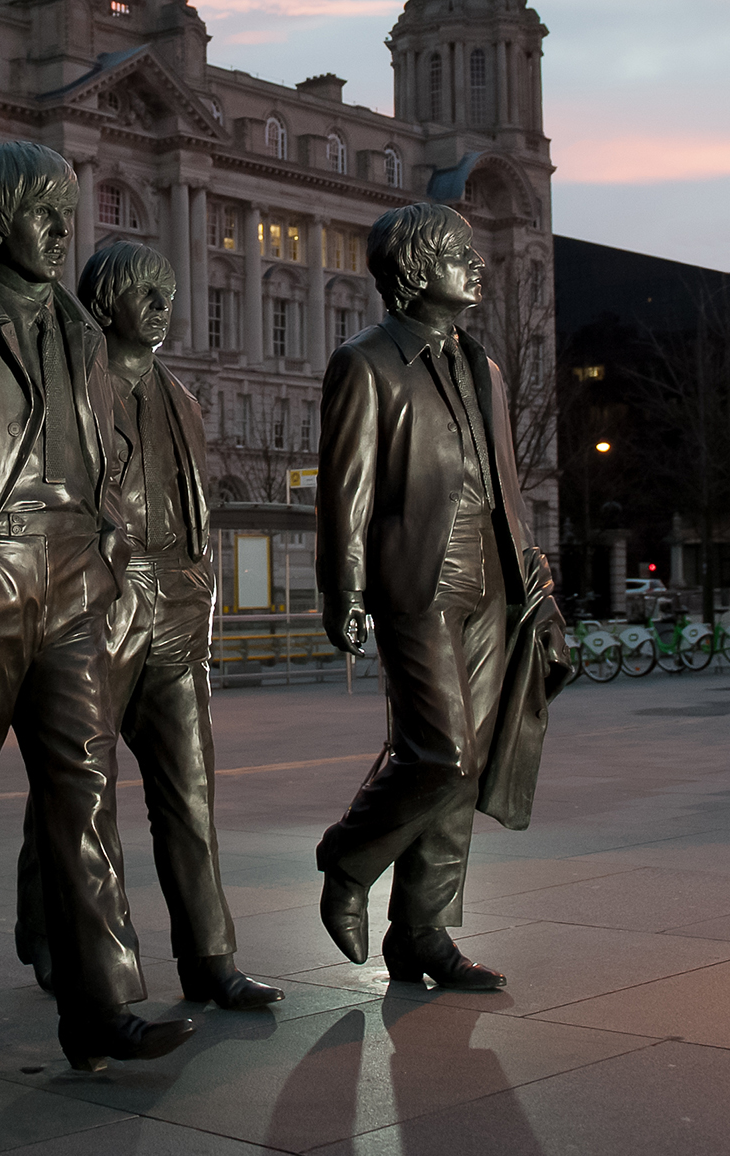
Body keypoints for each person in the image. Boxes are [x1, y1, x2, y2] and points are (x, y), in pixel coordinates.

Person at [0, 144, 195, 1072]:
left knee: (86, 791)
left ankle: (102, 1006)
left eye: (68, 212)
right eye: (43, 213)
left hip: (76, 582)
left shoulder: (83, 332)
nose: (63, 231)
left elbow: (107, 457)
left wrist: (111, 546)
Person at [14, 241, 283, 1012]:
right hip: (102, 604)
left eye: (168, 294)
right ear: (106, 304)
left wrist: (198, 591)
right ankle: (53, 931)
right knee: (79, 789)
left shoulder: (186, 401)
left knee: (189, 792)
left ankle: (210, 957)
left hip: (179, 607)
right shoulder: (68, 388)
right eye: (147, 294)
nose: (164, 309)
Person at [315, 202, 568, 990]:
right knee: (441, 751)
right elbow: (345, 490)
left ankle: (423, 931)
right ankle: (348, 860)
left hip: (493, 577)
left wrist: (537, 580)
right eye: (460, 251)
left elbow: (507, 486)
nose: (476, 262)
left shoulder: (485, 368)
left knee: (471, 761)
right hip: (417, 578)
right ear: (418, 268)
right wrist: (343, 588)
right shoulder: (367, 362)